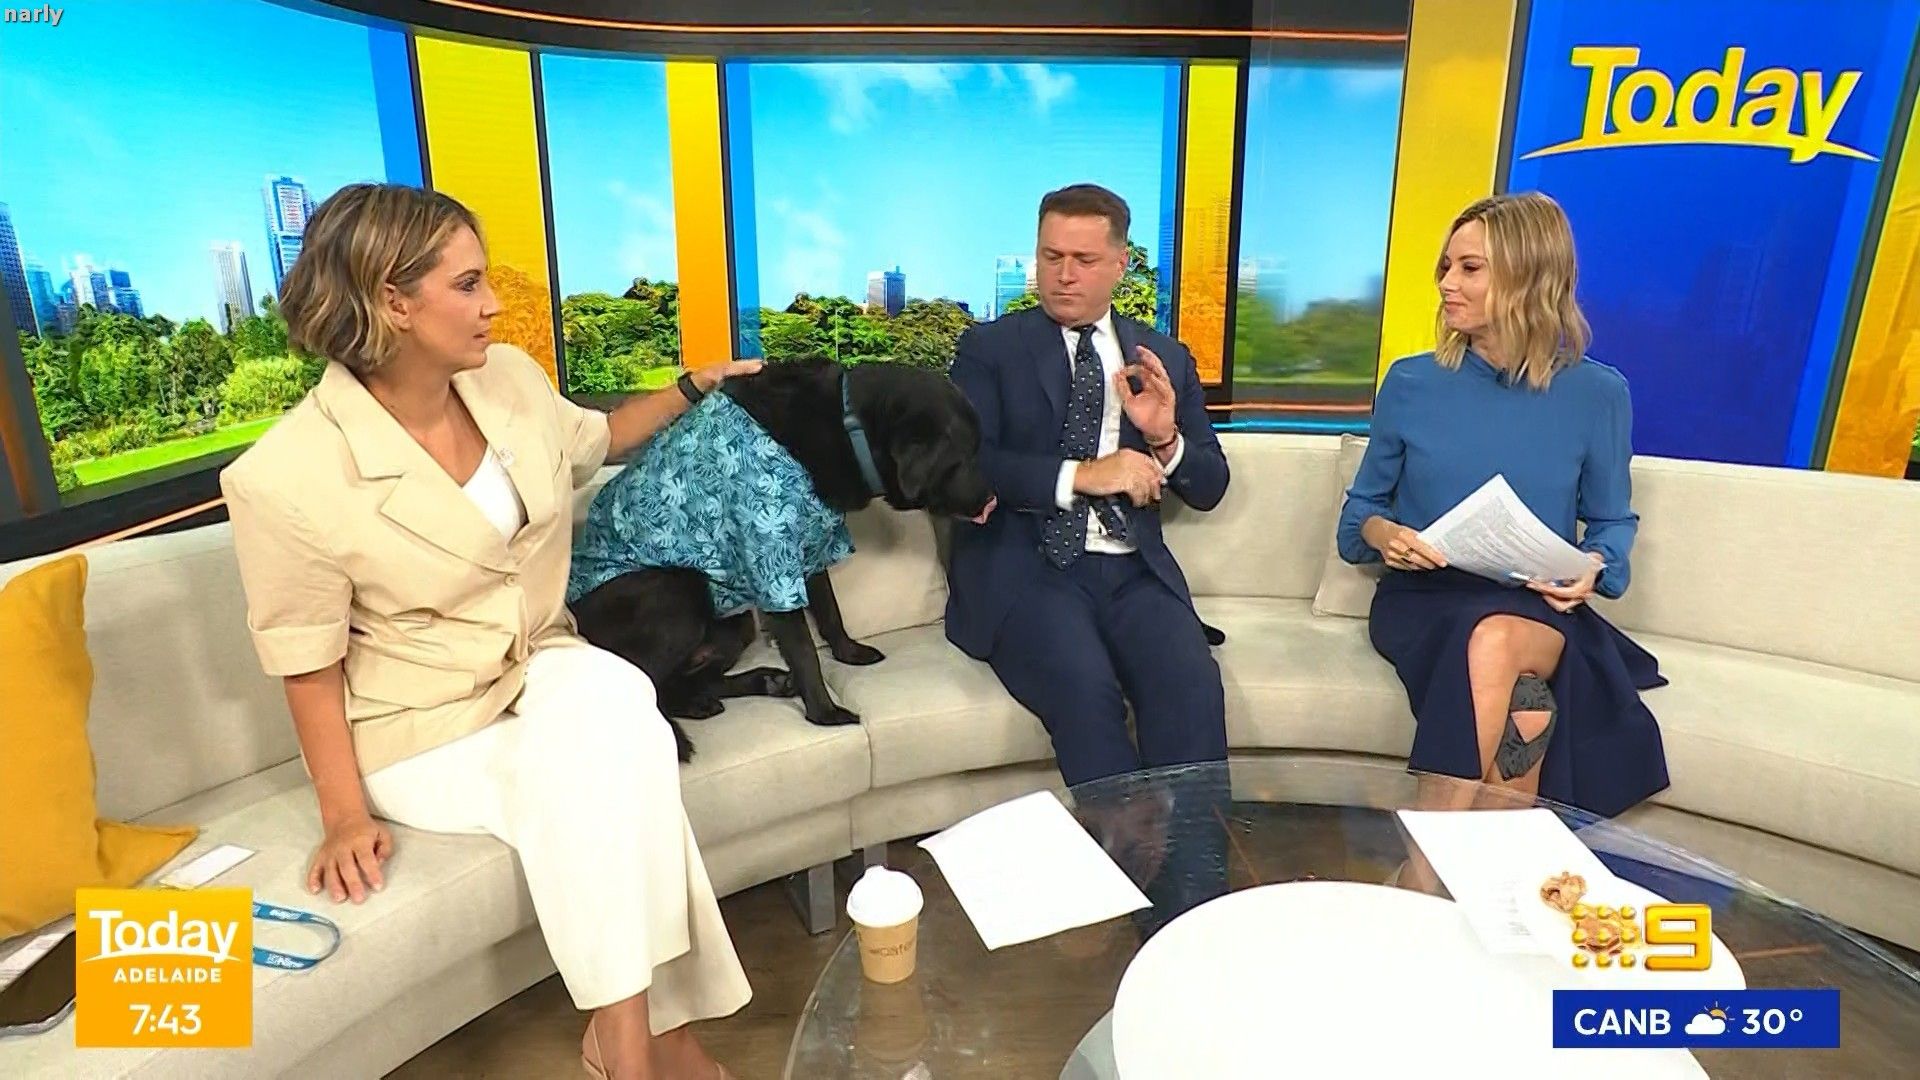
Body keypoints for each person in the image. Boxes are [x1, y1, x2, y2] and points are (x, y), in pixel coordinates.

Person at [220, 183, 757, 1080]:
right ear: (392, 301)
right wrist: (344, 816)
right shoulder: (287, 477)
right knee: (581, 770)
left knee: (623, 698)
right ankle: (648, 1044)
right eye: (468, 285)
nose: (494, 305)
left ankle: (624, 1043)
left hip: (535, 663)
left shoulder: (507, 380)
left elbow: (598, 438)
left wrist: (689, 386)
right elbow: (306, 664)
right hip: (418, 722)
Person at [1337, 191, 1669, 819]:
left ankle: (1421, 864)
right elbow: (1358, 520)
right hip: (1423, 600)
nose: (1446, 284)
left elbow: (1611, 522)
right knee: (1526, 706)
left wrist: (1594, 565)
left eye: (1470, 268)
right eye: (1446, 266)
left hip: (1534, 605)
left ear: (1528, 277)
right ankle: (1488, 867)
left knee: (1493, 640)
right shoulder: (1411, 382)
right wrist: (1387, 536)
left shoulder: (1598, 394)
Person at [945, 183, 1230, 787]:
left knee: (1191, 684)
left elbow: (1209, 485)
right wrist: (1085, 475)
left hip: (1133, 570)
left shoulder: (1163, 357)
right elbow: (965, 463)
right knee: (1085, 688)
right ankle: (1122, 846)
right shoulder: (989, 349)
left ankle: (1195, 851)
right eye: (1051, 257)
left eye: (1084, 259)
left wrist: (1164, 439)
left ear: (1120, 264)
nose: (1064, 275)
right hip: (1029, 569)